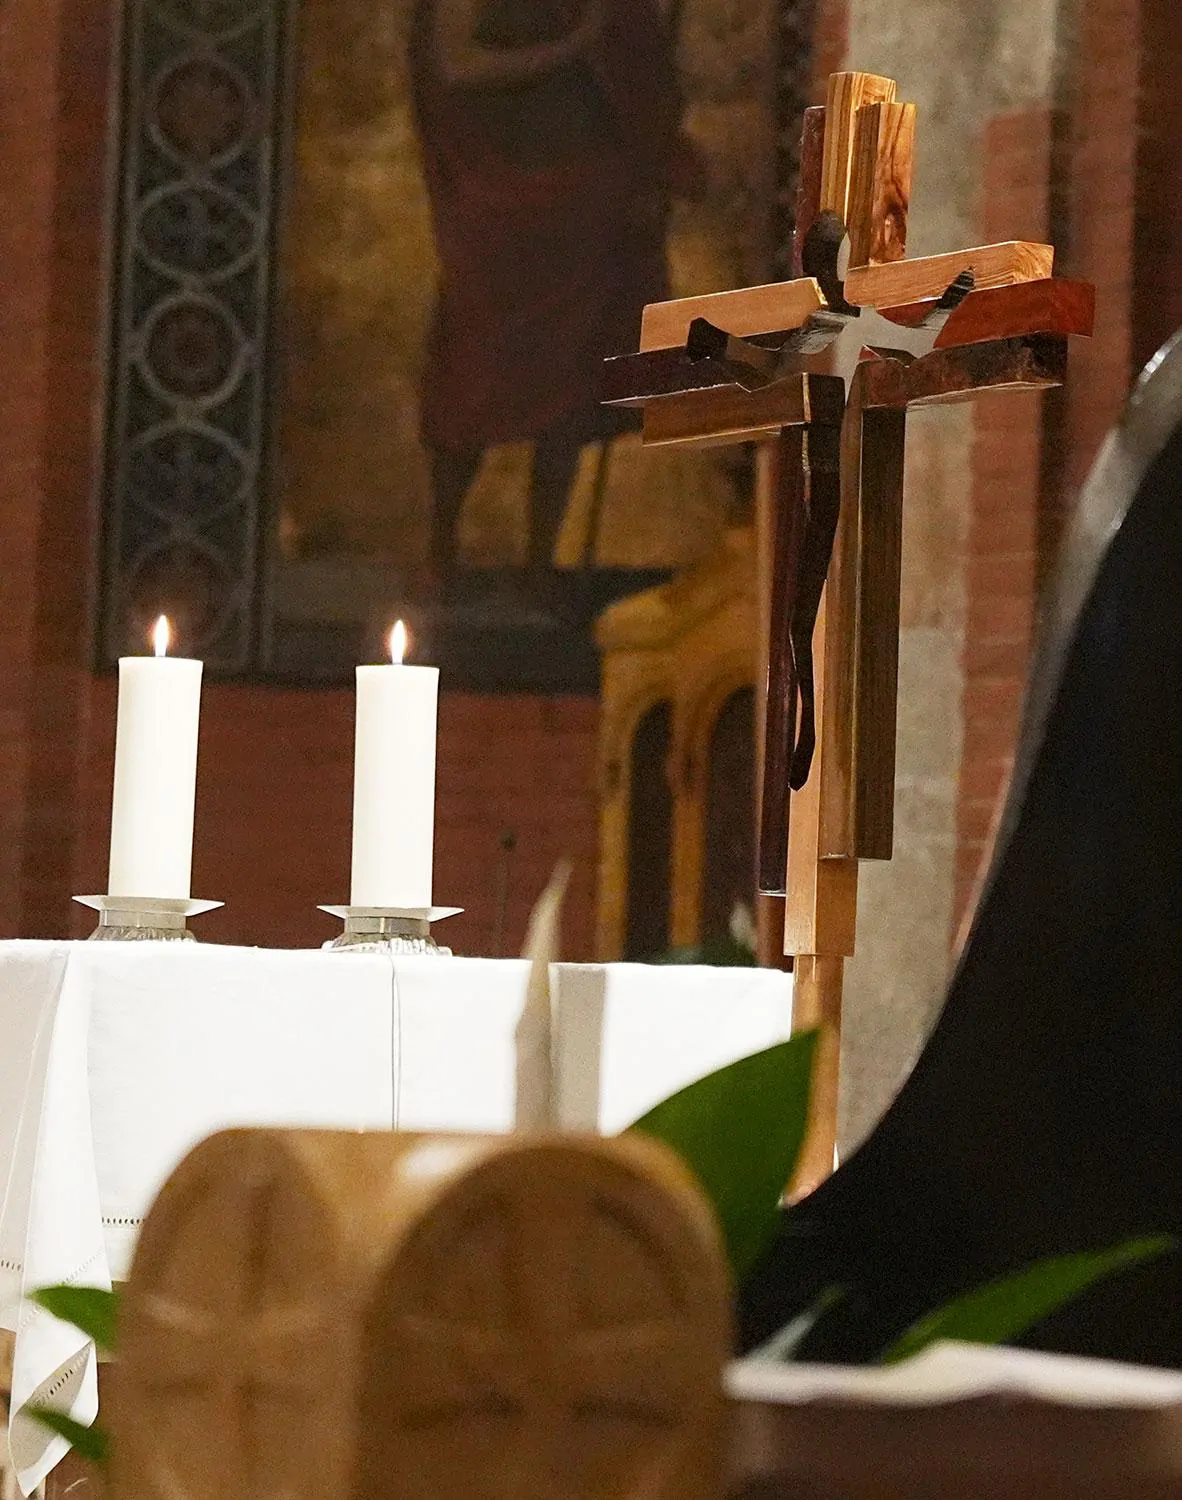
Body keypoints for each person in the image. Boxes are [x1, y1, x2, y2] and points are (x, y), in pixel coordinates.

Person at [408, 0, 695, 603]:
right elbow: (455, 64)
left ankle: (540, 561)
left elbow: (641, 75)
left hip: (583, 202)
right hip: (498, 198)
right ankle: (441, 551)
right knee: (472, 379)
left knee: (569, 395)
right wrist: (578, 45)